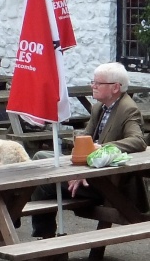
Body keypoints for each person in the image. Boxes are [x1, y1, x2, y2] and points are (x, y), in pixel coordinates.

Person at [31, 62, 147, 239]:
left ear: (115, 87)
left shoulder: (128, 109)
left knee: (45, 181)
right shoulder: (98, 107)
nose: (93, 86)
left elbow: (138, 141)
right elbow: (84, 140)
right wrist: (77, 170)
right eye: (93, 82)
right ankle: (25, 222)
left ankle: (43, 236)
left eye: (98, 83)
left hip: (107, 183)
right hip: (88, 172)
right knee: (41, 158)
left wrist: (102, 148)